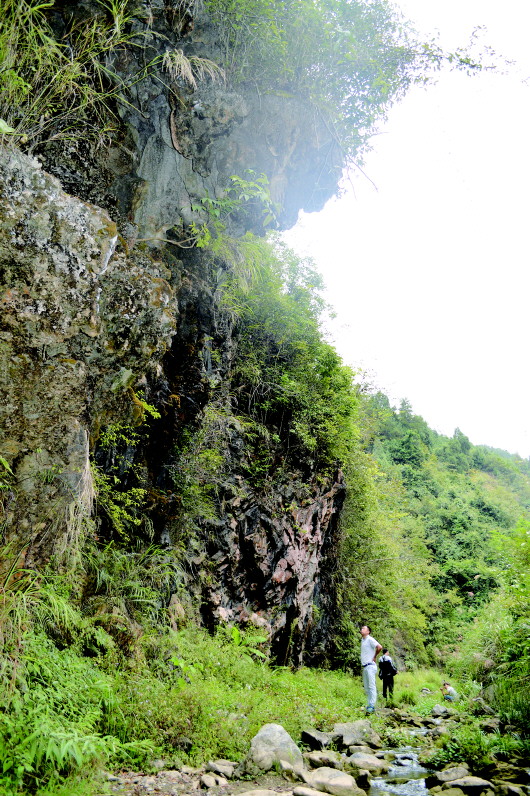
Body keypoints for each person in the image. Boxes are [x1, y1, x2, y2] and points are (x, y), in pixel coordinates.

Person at [359, 625, 382, 713]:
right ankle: (369, 704)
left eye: (363, 628)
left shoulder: (370, 639)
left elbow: (379, 647)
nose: (361, 629)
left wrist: (375, 656)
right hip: (365, 666)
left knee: (371, 686)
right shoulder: (363, 640)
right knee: (367, 687)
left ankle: (372, 705)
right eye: (361, 628)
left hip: (370, 666)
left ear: (368, 631)